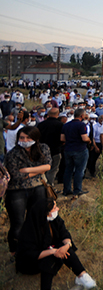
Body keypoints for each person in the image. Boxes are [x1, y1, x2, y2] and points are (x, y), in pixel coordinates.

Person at [16, 198, 96, 290]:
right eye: (54, 208)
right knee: (51, 257)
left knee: (65, 249)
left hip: (51, 250)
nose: (57, 209)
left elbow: (64, 233)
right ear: (46, 213)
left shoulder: (54, 220)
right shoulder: (29, 230)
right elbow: (30, 254)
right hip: (31, 263)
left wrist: (66, 246)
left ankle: (82, 276)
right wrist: (53, 251)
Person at [5, 126, 52, 257]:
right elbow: (16, 175)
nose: (25, 140)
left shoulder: (43, 148)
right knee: (18, 222)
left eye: (28, 137)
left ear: (35, 138)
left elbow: (48, 165)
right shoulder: (13, 153)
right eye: (22, 137)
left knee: (37, 219)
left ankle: (34, 246)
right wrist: (39, 170)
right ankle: (15, 251)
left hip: (38, 188)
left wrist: (26, 170)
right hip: (17, 190)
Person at [60, 109, 90, 196]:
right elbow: (84, 138)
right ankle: (77, 190)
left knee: (68, 170)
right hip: (80, 149)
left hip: (68, 149)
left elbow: (62, 139)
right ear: (82, 116)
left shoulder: (66, 125)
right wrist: (89, 141)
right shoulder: (81, 125)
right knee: (79, 170)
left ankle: (67, 189)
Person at [37, 108, 63, 186]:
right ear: (58, 114)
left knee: (43, 169)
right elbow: (62, 138)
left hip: (42, 150)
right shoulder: (60, 125)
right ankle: (49, 186)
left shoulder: (41, 124)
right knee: (53, 169)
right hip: (55, 150)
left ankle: (41, 185)